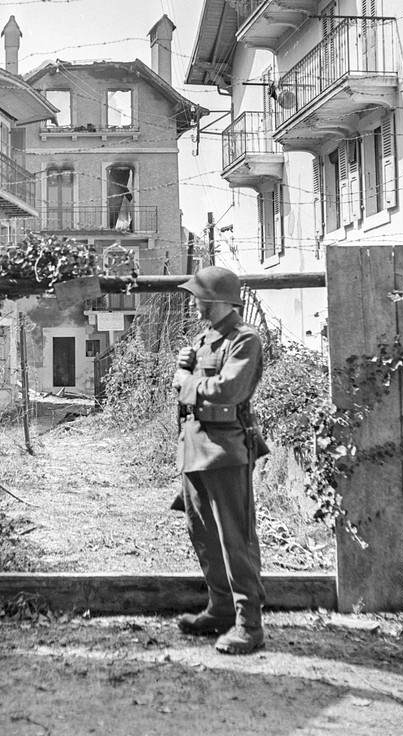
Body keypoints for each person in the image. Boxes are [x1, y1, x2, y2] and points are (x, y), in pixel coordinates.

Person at [172, 265, 267, 655]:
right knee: (205, 536)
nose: (193, 302)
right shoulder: (203, 339)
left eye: (197, 296)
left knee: (235, 540)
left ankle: (250, 625)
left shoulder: (244, 340)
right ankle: (222, 608)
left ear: (213, 299)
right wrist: (183, 368)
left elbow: (228, 390)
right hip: (194, 448)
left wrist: (186, 381)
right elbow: (187, 389)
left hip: (226, 451)